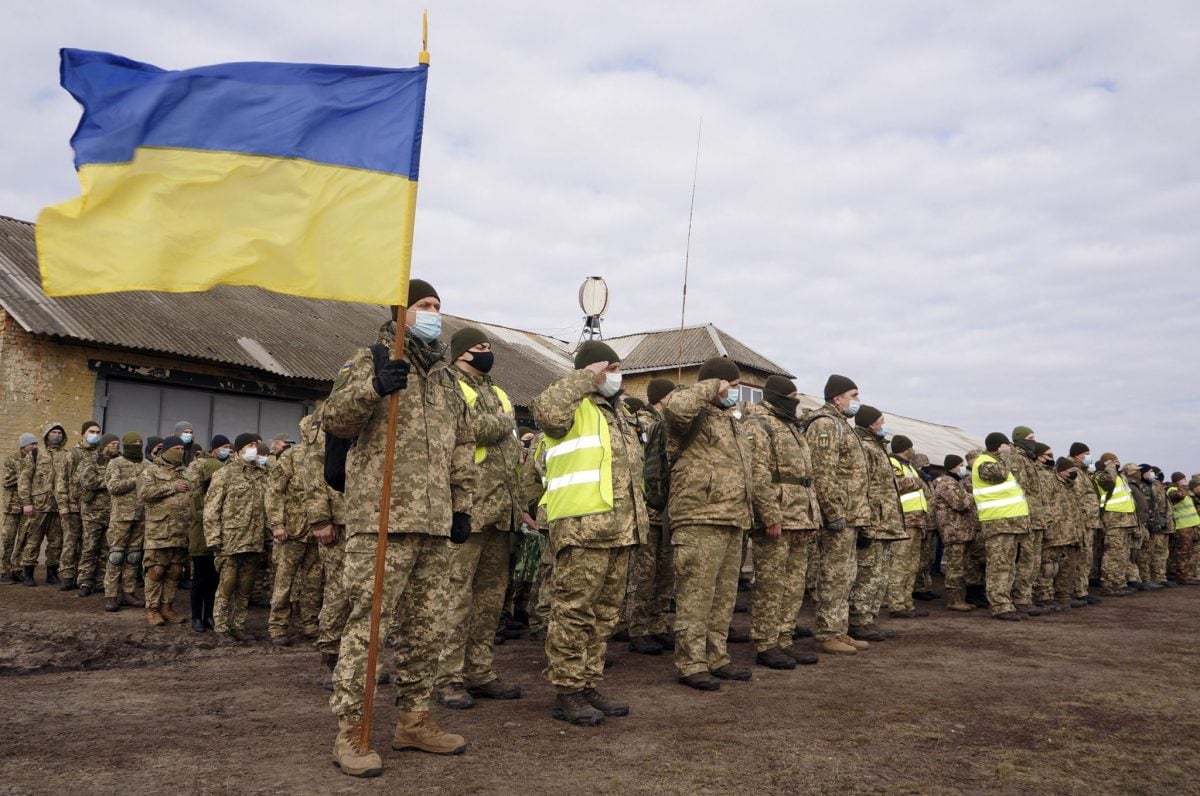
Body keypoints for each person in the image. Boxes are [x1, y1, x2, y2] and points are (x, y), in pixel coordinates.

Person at [324, 279, 476, 776]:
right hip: (382, 517)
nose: (434, 313)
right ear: (401, 311)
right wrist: (374, 388)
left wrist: (462, 505)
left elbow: (461, 445)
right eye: (424, 305)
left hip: (433, 523)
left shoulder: (446, 379)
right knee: (370, 625)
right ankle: (352, 730)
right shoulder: (370, 358)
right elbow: (335, 421)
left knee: (425, 628)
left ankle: (414, 719)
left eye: (438, 306)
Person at [531, 340, 645, 722]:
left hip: (621, 528)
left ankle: (588, 683)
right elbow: (546, 412)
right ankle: (566, 690)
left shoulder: (620, 413)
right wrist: (583, 377)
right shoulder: (571, 404)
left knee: (605, 615)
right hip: (582, 528)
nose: (616, 373)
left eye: (617, 366)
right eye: (608, 366)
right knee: (573, 612)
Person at [662, 357, 769, 690]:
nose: (737, 393)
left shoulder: (730, 421)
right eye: (733, 386)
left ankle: (716, 656)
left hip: (732, 519)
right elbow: (676, 407)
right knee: (696, 596)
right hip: (699, 518)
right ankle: (691, 663)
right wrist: (710, 385)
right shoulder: (691, 413)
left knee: (723, 598)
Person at [434, 327, 524, 709]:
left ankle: (480, 671)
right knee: (456, 598)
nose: (487, 353)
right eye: (479, 348)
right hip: (468, 508)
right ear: (459, 353)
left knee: (490, 600)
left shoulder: (497, 391)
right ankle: (446, 677)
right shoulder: (447, 384)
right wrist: (503, 423)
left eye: (489, 347)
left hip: (501, 511)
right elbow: (467, 429)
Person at [743, 376, 821, 669]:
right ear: (776, 396)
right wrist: (770, 514)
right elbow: (757, 473)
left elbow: (806, 478)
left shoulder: (792, 425)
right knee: (771, 583)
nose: (797, 398)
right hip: (777, 516)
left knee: (793, 584)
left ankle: (784, 638)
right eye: (792, 394)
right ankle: (766, 643)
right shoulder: (758, 424)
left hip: (799, 515)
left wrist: (813, 516)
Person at [804, 374, 872, 656]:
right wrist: (832, 512)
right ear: (837, 398)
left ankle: (839, 630)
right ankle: (827, 633)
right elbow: (822, 472)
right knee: (833, 575)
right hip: (839, 516)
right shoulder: (825, 424)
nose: (857, 401)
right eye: (854, 395)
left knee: (845, 575)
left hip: (852, 514)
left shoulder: (843, 425)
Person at [626, 377, 677, 656]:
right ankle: (638, 628)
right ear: (662, 397)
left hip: (667, 509)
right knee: (644, 574)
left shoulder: (668, 421)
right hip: (648, 508)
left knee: (665, 572)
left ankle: (658, 624)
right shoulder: (642, 422)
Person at [849, 409, 908, 641]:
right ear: (871, 424)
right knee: (867, 575)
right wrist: (863, 523)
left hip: (886, 524)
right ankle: (858, 620)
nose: (885, 425)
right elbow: (860, 486)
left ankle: (869, 620)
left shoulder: (878, 447)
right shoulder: (865, 447)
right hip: (874, 521)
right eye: (881, 422)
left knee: (880, 576)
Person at [302, 406, 349, 690]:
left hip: (365, 517)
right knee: (338, 592)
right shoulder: (327, 418)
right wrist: (320, 519)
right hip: (338, 521)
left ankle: (357, 661)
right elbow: (314, 472)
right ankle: (330, 659)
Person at [204, 433, 268, 641]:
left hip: (254, 538)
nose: (254, 449)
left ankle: (238, 624)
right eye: (250, 445)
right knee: (228, 583)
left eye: (256, 445)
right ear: (239, 450)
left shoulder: (262, 474)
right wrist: (213, 538)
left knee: (246, 584)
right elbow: (212, 509)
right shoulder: (225, 474)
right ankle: (221, 626)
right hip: (231, 539)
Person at [266, 422, 321, 645]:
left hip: (317, 531)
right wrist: (277, 524)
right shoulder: (290, 456)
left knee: (314, 581)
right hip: (292, 531)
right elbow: (274, 492)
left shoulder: (326, 455)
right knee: (284, 581)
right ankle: (278, 626)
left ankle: (309, 623)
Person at [971, 432, 1031, 621]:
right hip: (998, 522)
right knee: (999, 565)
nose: (1012, 449)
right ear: (999, 446)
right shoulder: (984, 462)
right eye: (1007, 445)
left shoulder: (997, 462)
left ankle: (1007, 602)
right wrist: (1005, 455)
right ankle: (999, 605)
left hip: (1011, 522)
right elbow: (999, 475)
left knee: (1009, 565)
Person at [137, 436, 194, 626]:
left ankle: (167, 607)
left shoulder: (186, 472)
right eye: (176, 448)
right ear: (166, 450)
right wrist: (171, 487)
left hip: (181, 532)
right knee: (156, 570)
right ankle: (152, 609)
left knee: (175, 571)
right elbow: (144, 494)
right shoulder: (151, 470)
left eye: (182, 448)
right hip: (159, 531)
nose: (180, 451)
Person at [186, 435, 231, 632]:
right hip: (200, 543)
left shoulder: (223, 494)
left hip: (217, 543)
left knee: (213, 581)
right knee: (199, 581)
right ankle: (196, 616)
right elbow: (200, 516)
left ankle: (209, 615)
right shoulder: (198, 495)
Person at [883, 434, 928, 621]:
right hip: (903, 520)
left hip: (916, 521)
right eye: (910, 447)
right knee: (899, 565)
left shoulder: (910, 467)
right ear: (906, 448)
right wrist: (919, 481)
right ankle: (896, 604)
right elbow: (897, 485)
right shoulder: (894, 463)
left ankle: (907, 602)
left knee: (912, 565)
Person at [17, 422, 68, 586]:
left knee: (56, 541)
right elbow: (24, 479)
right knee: (33, 540)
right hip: (38, 505)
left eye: (59, 432)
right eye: (53, 432)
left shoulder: (66, 455)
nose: (57, 435)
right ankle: (28, 574)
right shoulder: (35, 453)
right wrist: (26, 502)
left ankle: (52, 573)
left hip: (58, 506)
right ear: (47, 435)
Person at [56, 420, 101, 591]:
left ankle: (85, 577)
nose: (95, 435)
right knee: (70, 541)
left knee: (89, 544)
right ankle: (67, 576)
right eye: (91, 431)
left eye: (97, 432)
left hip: (93, 508)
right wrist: (63, 505)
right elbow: (61, 481)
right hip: (73, 506)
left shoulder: (100, 454)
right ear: (83, 433)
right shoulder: (72, 454)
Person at [103, 433, 146, 611]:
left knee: (134, 556)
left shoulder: (147, 465)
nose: (137, 445)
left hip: (141, 515)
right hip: (121, 516)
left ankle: (129, 591)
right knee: (116, 556)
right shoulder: (116, 463)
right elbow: (113, 487)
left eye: (140, 443)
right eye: (134, 443)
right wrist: (135, 481)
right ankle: (111, 595)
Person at [929, 455, 977, 611]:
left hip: (962, 531)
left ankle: (960, 598)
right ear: (953, 466)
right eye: (961, 465)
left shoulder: (956, 483)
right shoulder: (947, 483)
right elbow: (960, 503)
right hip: (954, 531)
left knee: (962, 566)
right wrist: (972, 496)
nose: (963, 468)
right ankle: (954, 599)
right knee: (955, 566)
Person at [76, 433, 119, 597]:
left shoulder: (119, 462)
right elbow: (88, 482)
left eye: (117, 444)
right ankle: (85, 581)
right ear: (105, 445)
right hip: (92, 513)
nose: (115, 447)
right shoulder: (91, 459)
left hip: (112, 513)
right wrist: (111, 482)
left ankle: (101, 581)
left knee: (106, 549)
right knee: (89, 548)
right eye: (112, 444)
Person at [1094, 453, 1138, 597]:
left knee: (1122, 553)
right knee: (1113, 553)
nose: (1117, 463)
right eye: (1113, 460)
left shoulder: (1120, 477)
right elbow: (1108, 483)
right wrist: (1110, 467)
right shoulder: (1101, 476)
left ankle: (1119, 582)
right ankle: (1108, 583)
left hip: (1126, 520)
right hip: (1114, 519)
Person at [1, 433, 38, 584]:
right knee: (8, 539)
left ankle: (17, 569)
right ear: (24, 446)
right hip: (12, 506)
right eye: (32, 444)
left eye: (36, 444)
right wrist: (26, 473)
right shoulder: (12, 459)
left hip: (27, 506)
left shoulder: (37, 460)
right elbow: (7, 480)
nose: (35, 447)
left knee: (23, 539)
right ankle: (4, 571)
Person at [1167, 472, 1200, 584]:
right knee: (1183, 552)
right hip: (1182, 526)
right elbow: (1179, 496)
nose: (1185, 481)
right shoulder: (1172, 490)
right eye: (1183, 479)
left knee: (1190, 551)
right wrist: (1183, 486)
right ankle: (1183, 576)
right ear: (1177, 480)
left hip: (1190, 525)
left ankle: (1188, 574)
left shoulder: (1183, 490)